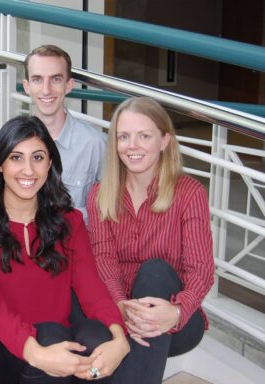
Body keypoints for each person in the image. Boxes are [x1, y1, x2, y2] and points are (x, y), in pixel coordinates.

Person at [0, 116, 129, 384]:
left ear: (49, 164)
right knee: (51, 338)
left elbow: (92, 290)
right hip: (7, 351)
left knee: (98, 342)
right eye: (16, 158)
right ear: (0, 164)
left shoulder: (69, 222)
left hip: (57, 341)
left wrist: (119, 338)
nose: (28, 170)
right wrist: (37, 354)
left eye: (37, 158)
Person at [86, 97, 214, 383]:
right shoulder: (101, 193)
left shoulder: (189, 193)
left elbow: (201, 271)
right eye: (124, 137)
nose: (132, 146)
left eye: (144, 136)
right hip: (121, 310)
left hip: (176, 319)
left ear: (164, 140)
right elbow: (104, 259)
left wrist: (177, 312)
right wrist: (121, 305)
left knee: (155, 271)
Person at [23, 45, 106, 221]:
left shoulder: (95, 143)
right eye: (37, 79)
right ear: (26, 86)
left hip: (74, 244)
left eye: (56, 79)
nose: (46, 90)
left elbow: (109, 209)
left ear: (69, 85)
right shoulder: (12, 141)